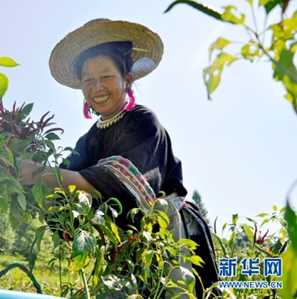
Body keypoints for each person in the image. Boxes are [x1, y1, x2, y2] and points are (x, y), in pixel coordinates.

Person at [20, 18, 220, 298]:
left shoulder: (142, 121)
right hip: (126, 241)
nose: (96, 86)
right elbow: (64, 189)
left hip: (168, 234)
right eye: (87, 79)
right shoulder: (87, 140)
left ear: (127, 79)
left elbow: (115, 183)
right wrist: (15, 178)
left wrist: (41, 173)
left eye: (105, 76)